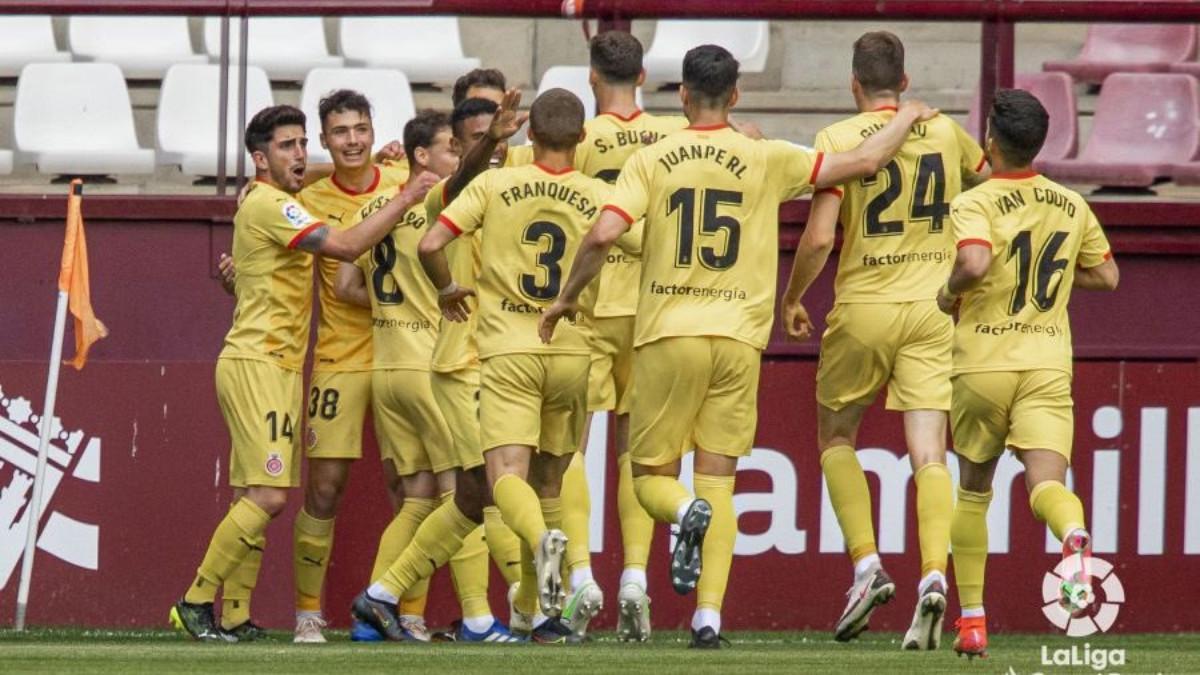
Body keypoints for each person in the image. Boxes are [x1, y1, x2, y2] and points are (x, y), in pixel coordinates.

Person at [540, 44, 936, 648]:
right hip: (739, 338)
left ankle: (681, 516)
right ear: (737, 94)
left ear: (681, 96)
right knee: (719, 479)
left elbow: (604, 231)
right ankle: (707, 621)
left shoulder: (656, 156)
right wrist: (906, 116)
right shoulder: (767, 156)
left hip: (669, 334)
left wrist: (568, 296)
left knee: (650, 477)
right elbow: (862, 160)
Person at [169, 104, 437, 641]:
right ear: (259, 159)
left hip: (281, 363)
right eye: (287, 146)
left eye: (300, 144)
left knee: (255, 491)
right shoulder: (274, 204)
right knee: (269, 496)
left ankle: (236, 613)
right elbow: (346, 245)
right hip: (261, 362)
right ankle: (195, 601)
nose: (299, 155)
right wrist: (408, 196)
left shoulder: (276, 198)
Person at [353, 88, 610, 644]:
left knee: (478, 492)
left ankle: (383, 596)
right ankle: (505, 613)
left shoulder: (506, 182)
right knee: (494, 485)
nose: (479, 153)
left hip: (495, 352)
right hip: (466, 357)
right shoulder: (456, 190)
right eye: (462, 144)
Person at [777, 31, 989, 648]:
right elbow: (987, 185)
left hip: (864, 305)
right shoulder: (946, 132)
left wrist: (791, 298)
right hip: (930, 309)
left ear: (852, 84)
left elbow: (818, 239)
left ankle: (867, 566)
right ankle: (933, 576)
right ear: (906, 79)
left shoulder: (839, 140)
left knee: (836, 436)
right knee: (930, 453)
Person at [937, 89, 1118, 658]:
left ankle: (971, 622)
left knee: (972, 493)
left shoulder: (975, 202)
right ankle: (1072, 537)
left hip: (984, 361)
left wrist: (948, 293)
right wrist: (1060, 283)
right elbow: (1107, 276)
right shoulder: (1071, 204)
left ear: (990, 141)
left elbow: (973, 261)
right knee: (1047, 485)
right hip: (1044, 360)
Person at [334, 109, 521, 644]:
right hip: (430, 363)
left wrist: (396, 308)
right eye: (450, 149)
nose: (457, 159)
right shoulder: (446, 202)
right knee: (466, 494)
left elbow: (346, 284)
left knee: (417, 497)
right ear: (422, 155)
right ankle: (481, 620)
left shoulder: (376, 206)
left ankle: (371, 616)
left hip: (386, 365)